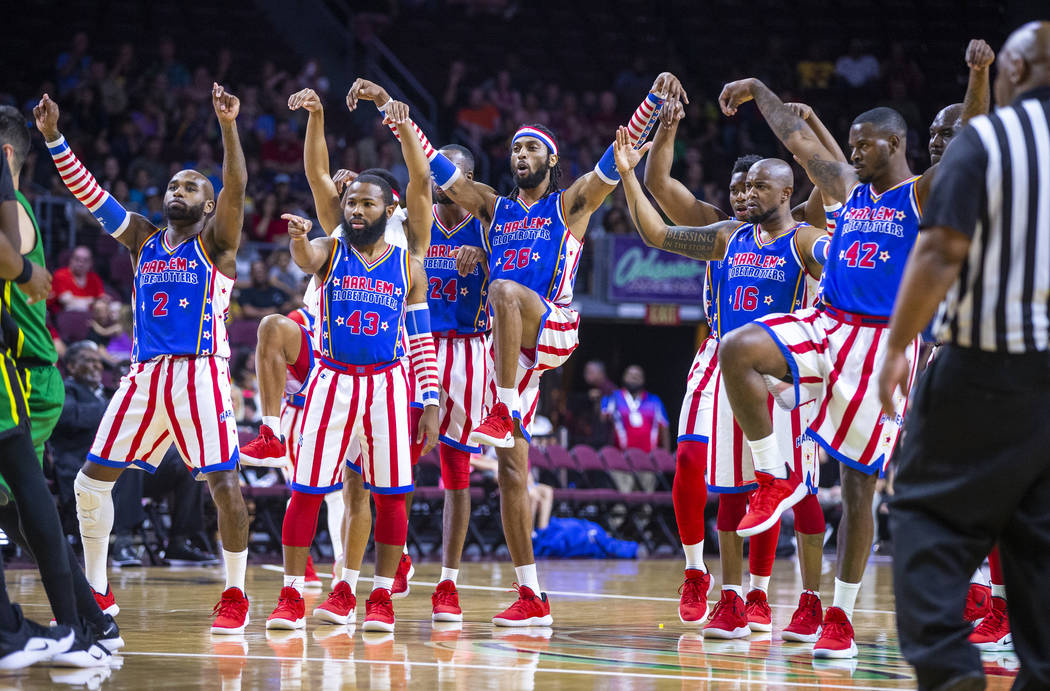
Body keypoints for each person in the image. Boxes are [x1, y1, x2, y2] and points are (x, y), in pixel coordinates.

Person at [348, 71, 685, 625]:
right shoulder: (492, 209)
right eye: (516, 148)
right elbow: (434, 168)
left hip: (553, 327)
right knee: (512, 471)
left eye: (532, 148)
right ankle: (530, 594)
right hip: (505, 352)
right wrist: (392, 107)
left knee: (505, 290)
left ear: (551, 161)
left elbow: (617, 149)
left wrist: (651, 99)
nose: (521, 154)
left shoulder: (569, 205)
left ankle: (501, 408)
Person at [714, 51, 986, 658]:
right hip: (826, 322)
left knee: (858, 487)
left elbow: (969, 141)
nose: (853, 153)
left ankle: (840, 615)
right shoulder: (846, 190)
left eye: (865, 145)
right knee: (738, 349)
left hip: (882, 342)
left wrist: (977, 77)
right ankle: (775, 472)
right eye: (853, 145)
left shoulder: (923, 194)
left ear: (894, 144)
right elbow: (796, 140)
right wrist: (760, 87)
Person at [35, 84, 253, 634]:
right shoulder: (141, 238)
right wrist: (56, 139)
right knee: (89, 483)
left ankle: (235, 594)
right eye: (173, 184)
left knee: (223, 482)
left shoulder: (216, 244)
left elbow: (238, 187)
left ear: (206, 205)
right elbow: (93, 195)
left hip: (200, 369)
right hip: (144, 374)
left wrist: (228, 126)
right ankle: (97, 591)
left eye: (190, 187)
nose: (176, 190)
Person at [879, 22, 1050, 690]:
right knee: (1037, 542)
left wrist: (899, 343)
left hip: (985, 365)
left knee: (923, 513)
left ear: (1012, 71)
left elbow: (942, 248)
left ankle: (953, 674)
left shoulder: (990, 138)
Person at [616, 128, 829, 641]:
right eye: (745, 185)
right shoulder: (727, 235)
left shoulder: (805, 239)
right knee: (732, 487)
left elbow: (846, 262)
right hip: (732, 369)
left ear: (786, 193)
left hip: (786, 373)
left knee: (798, 492)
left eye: (759, 185)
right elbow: (656, 235)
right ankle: (730, 598)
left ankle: (811, 601)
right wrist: (627, 175)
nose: (747, 193)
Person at [267, 183, 438, 632]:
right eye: (351, 203)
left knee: (392, 495)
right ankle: (290, 595)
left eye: (367, 204)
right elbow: (304, 258)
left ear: (389, 210)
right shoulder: (330, 250)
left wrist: (431, 400)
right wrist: (300, 239)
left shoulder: (409, 266)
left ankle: (380, 596)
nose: (357, 211)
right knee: (306, 489)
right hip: (332, 379)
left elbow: (421, 340)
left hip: (389, 384)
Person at [602, 365, 669, 453]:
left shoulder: (654, 400)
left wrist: (667, 455)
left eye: (637, 376)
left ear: (643, 380)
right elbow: (602, 421)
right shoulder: (613, 397)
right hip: (621, 457)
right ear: (624, 377)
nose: (634, 378)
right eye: (630, 375)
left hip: (649, 458)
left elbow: (664, 428)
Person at [48, 245, 104, 313]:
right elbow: (68, 303)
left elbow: (102, 300)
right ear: (71, 260)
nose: (80, 264)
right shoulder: (60, 275)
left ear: (90, 263)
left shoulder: (95, 278)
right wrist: (93, 301)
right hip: (63, 316)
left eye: (85, 261)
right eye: (77, 259)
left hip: (90, 317)